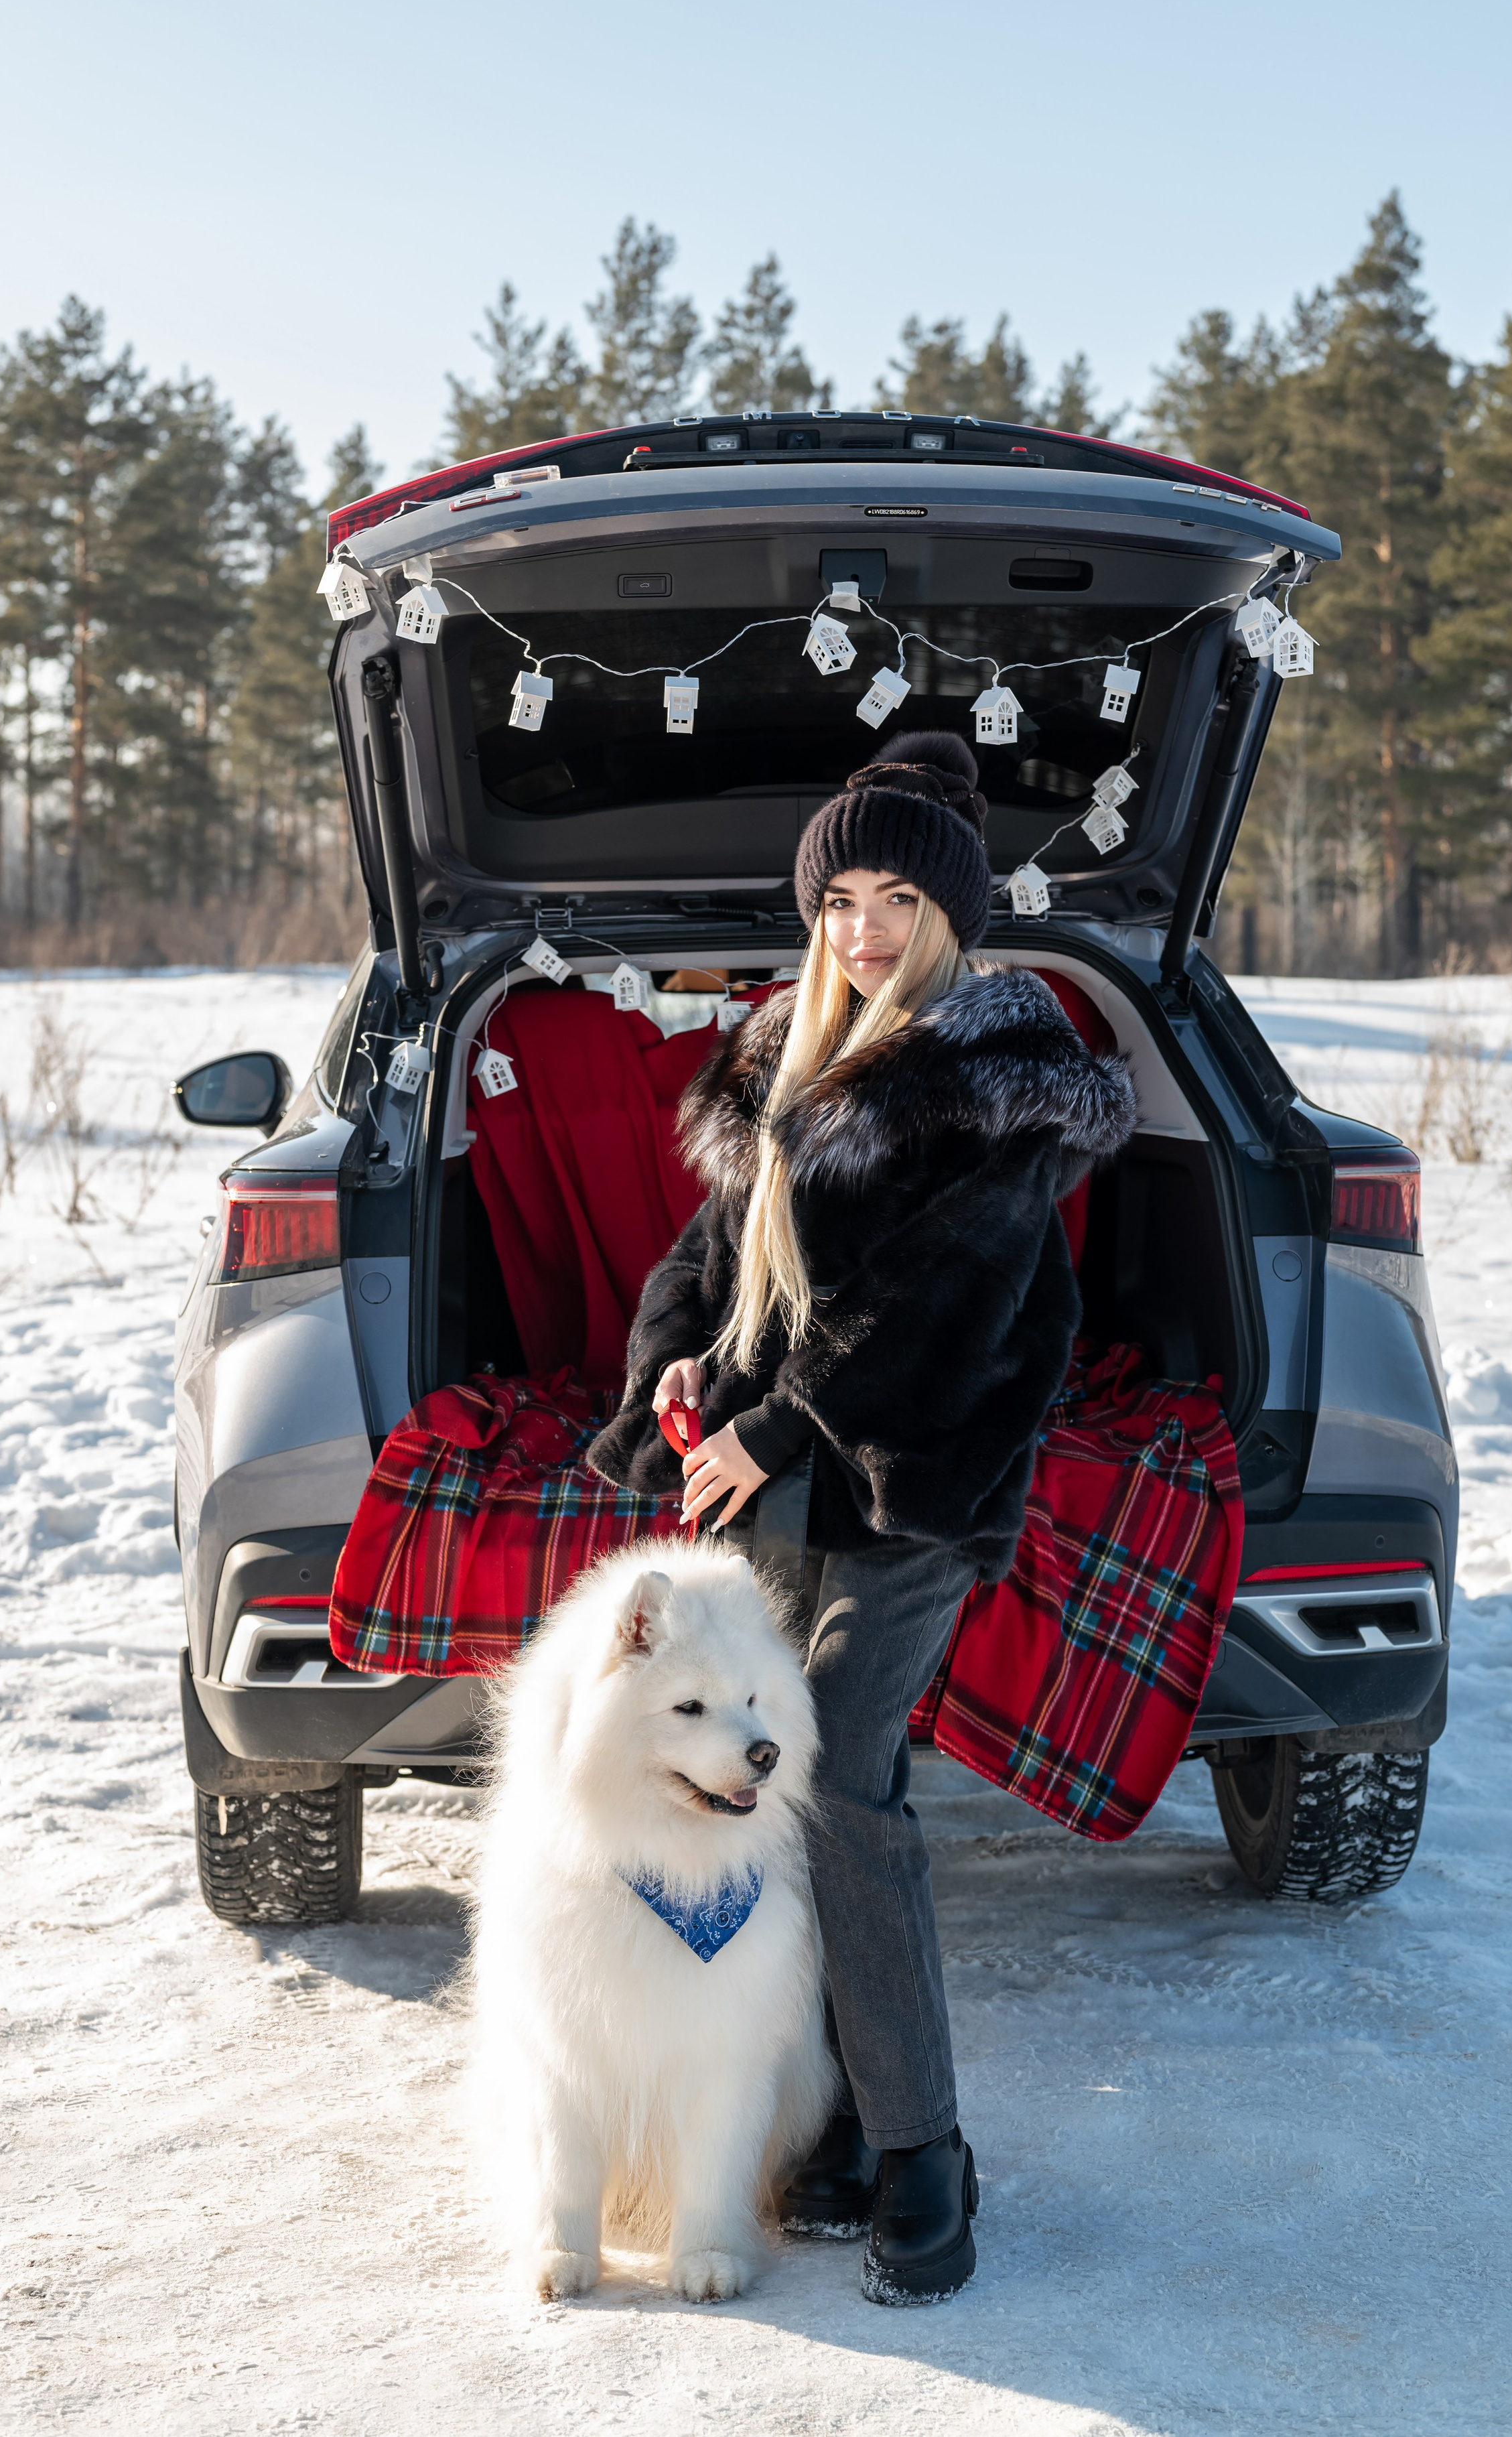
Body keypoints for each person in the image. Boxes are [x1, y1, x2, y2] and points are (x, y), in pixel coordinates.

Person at [589, 728, 1136, 2303]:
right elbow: (708, 1262)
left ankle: (922, 2151)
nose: (864, 926)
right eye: (842, 895)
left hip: (923, 1470)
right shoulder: (778, 1054)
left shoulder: (993, 1058)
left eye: (899, 895)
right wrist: (673, 1377)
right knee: (762, 1781)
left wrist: (772, 1422)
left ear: (951, 913)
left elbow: (943, 1305)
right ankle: (823, 2118)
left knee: (828, 1760)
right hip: (780, 1468)